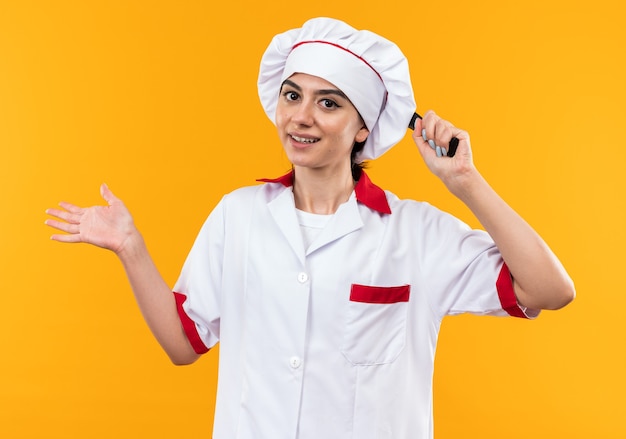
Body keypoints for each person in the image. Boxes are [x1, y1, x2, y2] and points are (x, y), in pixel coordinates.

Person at [45, 17, 575, 439]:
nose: (301, 117)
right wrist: (130, 247)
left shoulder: (414, 233)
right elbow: (185, 343)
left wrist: (466, 182)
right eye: (292, 95)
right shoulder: (239, 215)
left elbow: (551, 290)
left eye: (329, 103)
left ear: (363, 125)